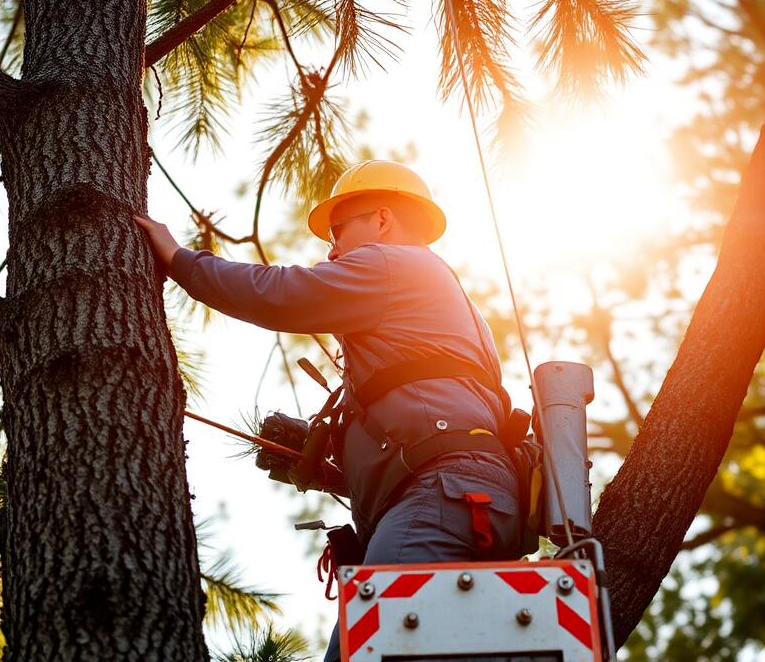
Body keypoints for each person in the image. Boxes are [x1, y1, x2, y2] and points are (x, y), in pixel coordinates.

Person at [133, 160, 524, 661]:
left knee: (365, 652)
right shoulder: (446, 308)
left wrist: (181, 260)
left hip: (438, 499)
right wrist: (334, 462)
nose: (332, 249)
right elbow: (429, 426)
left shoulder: (392, 263)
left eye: (339, 231)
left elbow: (277, 294)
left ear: (382, 220)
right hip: (470, 500)